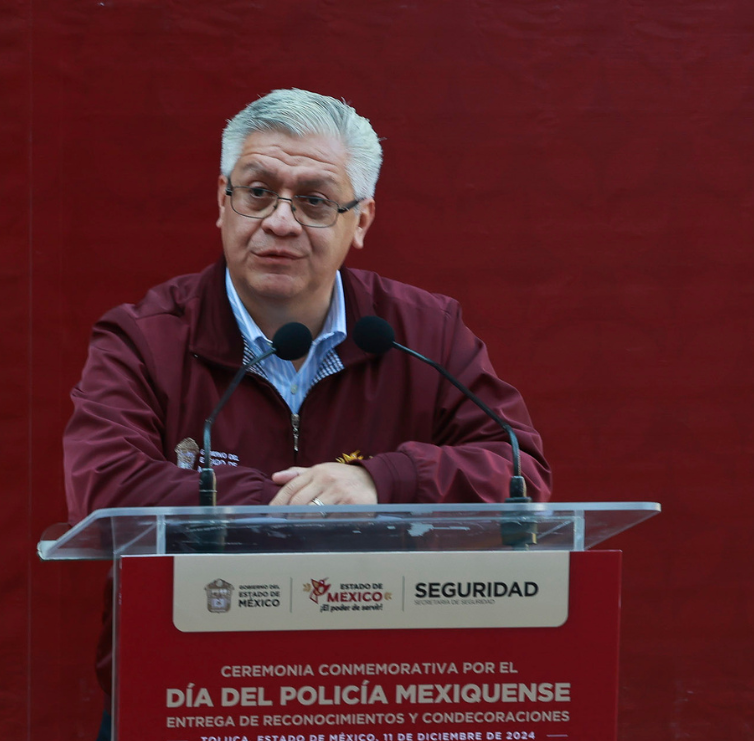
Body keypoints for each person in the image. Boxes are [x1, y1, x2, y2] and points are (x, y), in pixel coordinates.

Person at [62, 89, 552, 737]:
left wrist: (381, 483)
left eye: (314, 200)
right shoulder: (145, 338)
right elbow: (103, 487)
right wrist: (285, 505)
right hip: (190, 688)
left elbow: (519, 473)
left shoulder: (423, 331)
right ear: (221, 202)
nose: (280, 221)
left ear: (362, 218)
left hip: (380, 691)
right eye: (257, 192)